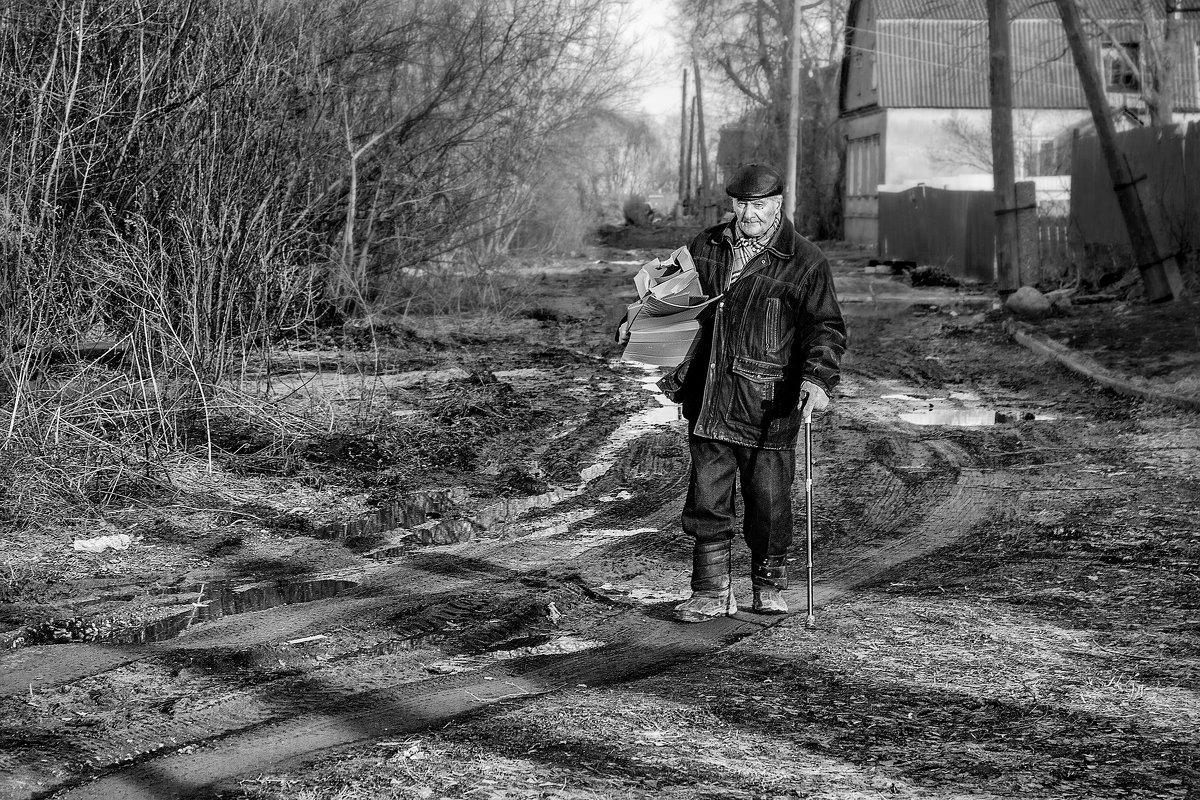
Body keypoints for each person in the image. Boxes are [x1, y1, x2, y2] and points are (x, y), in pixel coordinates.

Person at [620, 163, 847, 621]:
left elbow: (824, 328)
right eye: (742, 204)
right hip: (708, 394)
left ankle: (767, 584)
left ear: (777, 204)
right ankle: (709, 592)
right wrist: (638, 319)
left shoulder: (804, 261)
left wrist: (817, 379)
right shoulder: (706, 246)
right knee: (707, 500)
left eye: (759, 205)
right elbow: (670, 297)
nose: (749, 214)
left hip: (767, 401)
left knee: (769, 504)